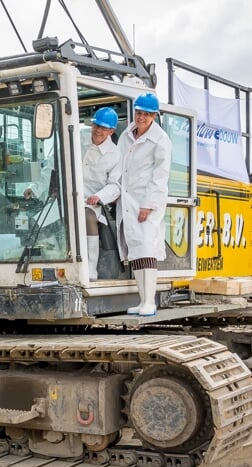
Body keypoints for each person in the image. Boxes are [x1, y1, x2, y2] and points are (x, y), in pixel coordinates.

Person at [116, 92, 172, 316]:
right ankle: (142, 301)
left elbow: (160, 176)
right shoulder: (126, 135)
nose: (141, 117)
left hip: (146, 202)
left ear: (154, 116)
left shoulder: (160, 140)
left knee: (147, 248)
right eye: (138, 112)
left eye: (146, 114)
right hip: (128, 199)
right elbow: (118, 164)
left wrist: (148, 205)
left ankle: (149, 300)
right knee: (136, 250)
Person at [82, 107, 121, 280]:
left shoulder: (115, 154)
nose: (98, 130)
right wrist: (36, 188)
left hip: (94, 202)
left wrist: (99, 197)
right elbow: (54, 166)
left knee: (88, 216)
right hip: (68, 195)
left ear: (111, 131)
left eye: (103, 128)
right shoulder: (77, 138)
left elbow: (115, 186)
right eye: (96, 125)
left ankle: (90, 269)